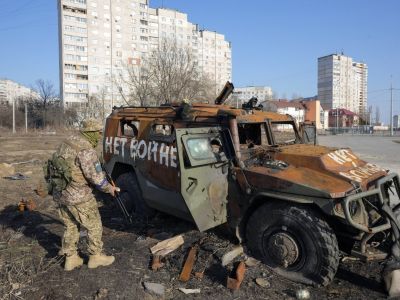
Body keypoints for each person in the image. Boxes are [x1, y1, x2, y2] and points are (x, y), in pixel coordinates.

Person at [54, 119, 118, 271]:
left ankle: (71, 258)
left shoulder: (67, 142)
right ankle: (95, 257)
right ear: (92, 133)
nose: (99, 135)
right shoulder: (86, 150)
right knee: (94, 224)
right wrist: (110, 189)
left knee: (70, 225)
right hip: (78, 196)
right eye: (98, 132)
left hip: (60, 192)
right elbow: (95, 178)